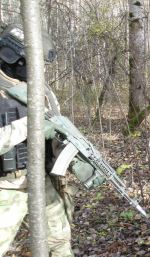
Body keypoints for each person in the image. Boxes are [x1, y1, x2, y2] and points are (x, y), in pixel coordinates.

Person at [0, 24, 87, 256]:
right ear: (13, 57)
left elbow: (54, 126)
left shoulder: (40, 91)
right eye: (35, 64)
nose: (41, 71)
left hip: (40, 181)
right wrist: (32, 127)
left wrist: (70, 150)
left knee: (59, 242)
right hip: (4, 188)